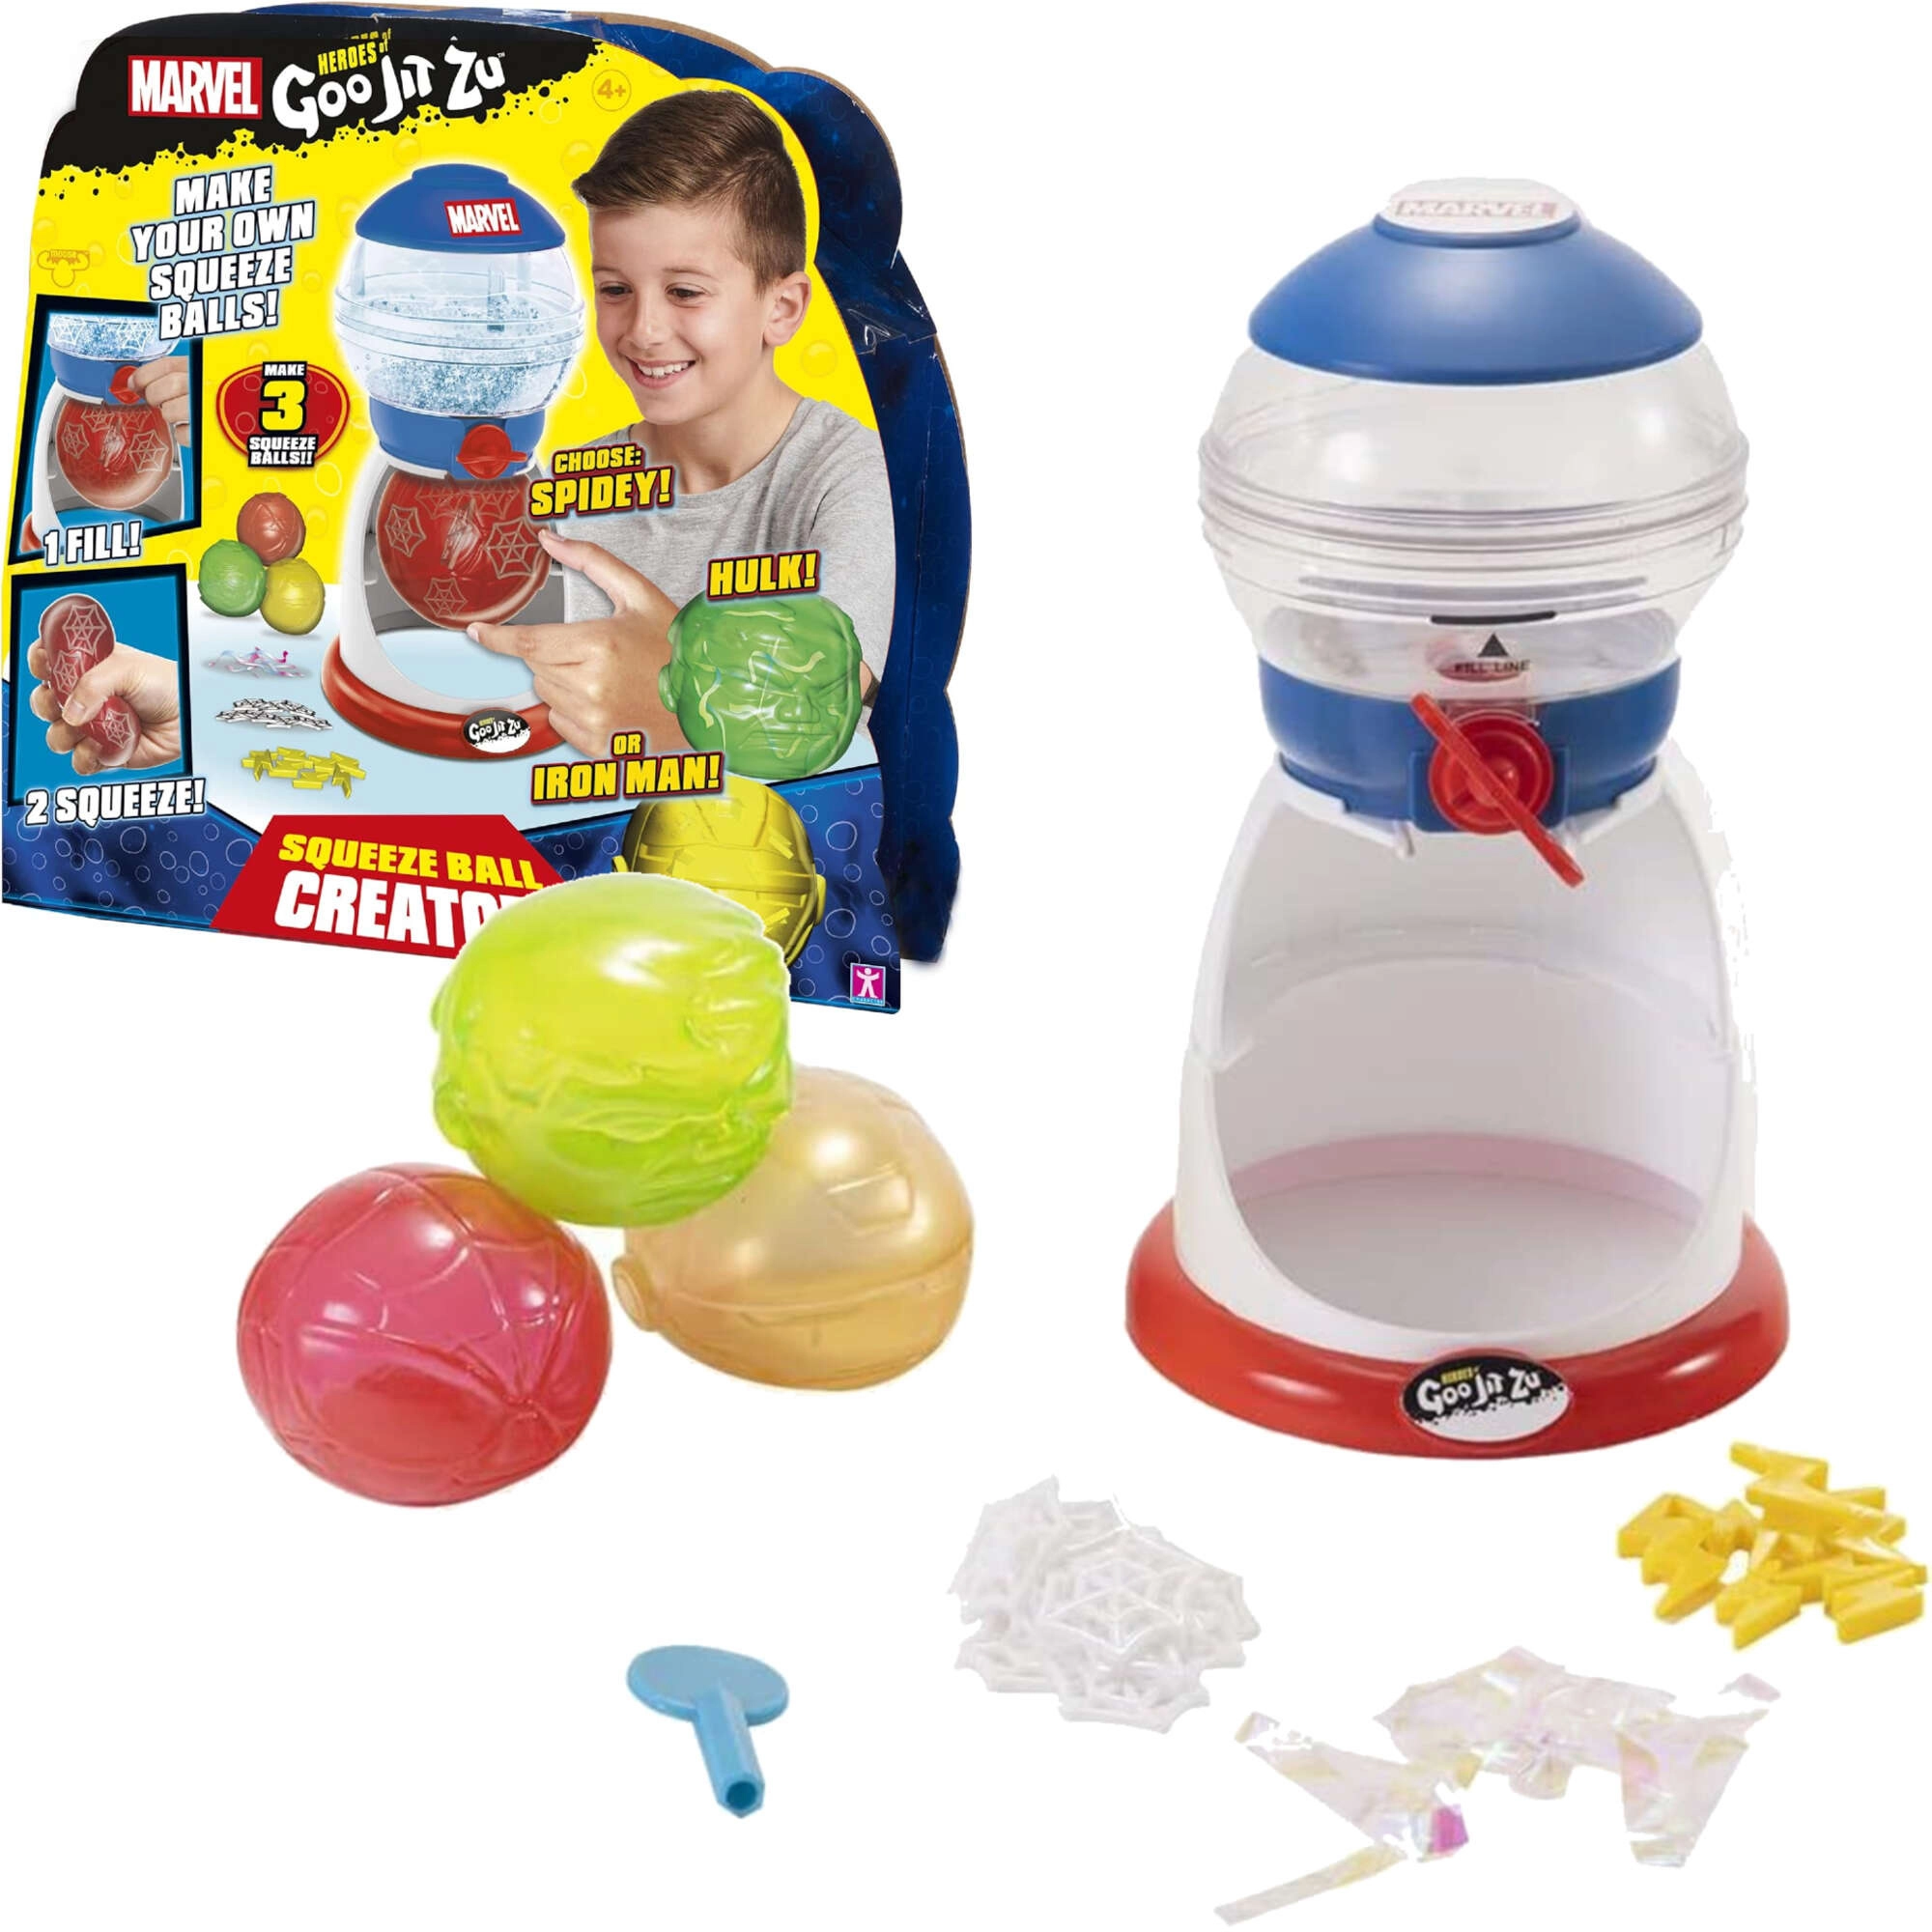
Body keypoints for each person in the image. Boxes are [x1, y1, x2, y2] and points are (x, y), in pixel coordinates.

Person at [467, 88, 895, 762]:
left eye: (685, 292)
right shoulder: (561, 492)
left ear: (782, 309)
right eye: (615, 289)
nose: (643, 330)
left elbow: (822, 708)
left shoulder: (850, 476)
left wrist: (662, 687)